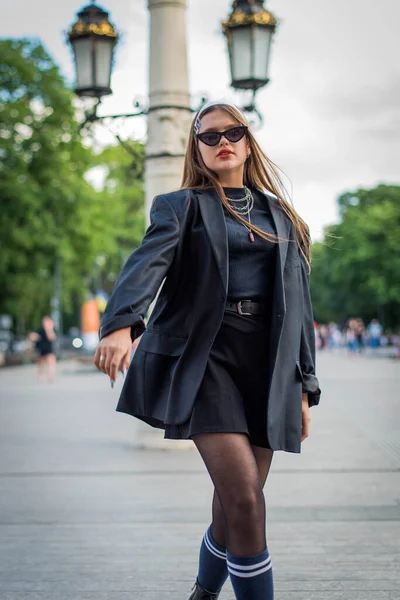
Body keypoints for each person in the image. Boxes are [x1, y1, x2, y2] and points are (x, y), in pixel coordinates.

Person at [94, 100, 321, 600]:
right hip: (207, 359)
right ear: (196, 149)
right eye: (210, 136)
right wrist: (121, 324)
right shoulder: (180, 207)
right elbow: (145, 266)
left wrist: (305, 385)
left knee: (237, 501)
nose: (223, 142)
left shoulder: (281, 215)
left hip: (267, 366)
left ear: (247, 142)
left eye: (233, 133)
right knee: (244, 499)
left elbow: (300, 306)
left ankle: (203, 592)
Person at [29, 316, 57, 382]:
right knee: (41, 363)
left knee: (51, 361)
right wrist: (33, 336)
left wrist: (49, 329)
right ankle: (41, 374)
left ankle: (51, 376)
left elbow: (52, 338)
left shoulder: (52, 330)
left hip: (49, 349)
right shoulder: (41, 330)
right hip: (42, 348)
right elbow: (36, 337)